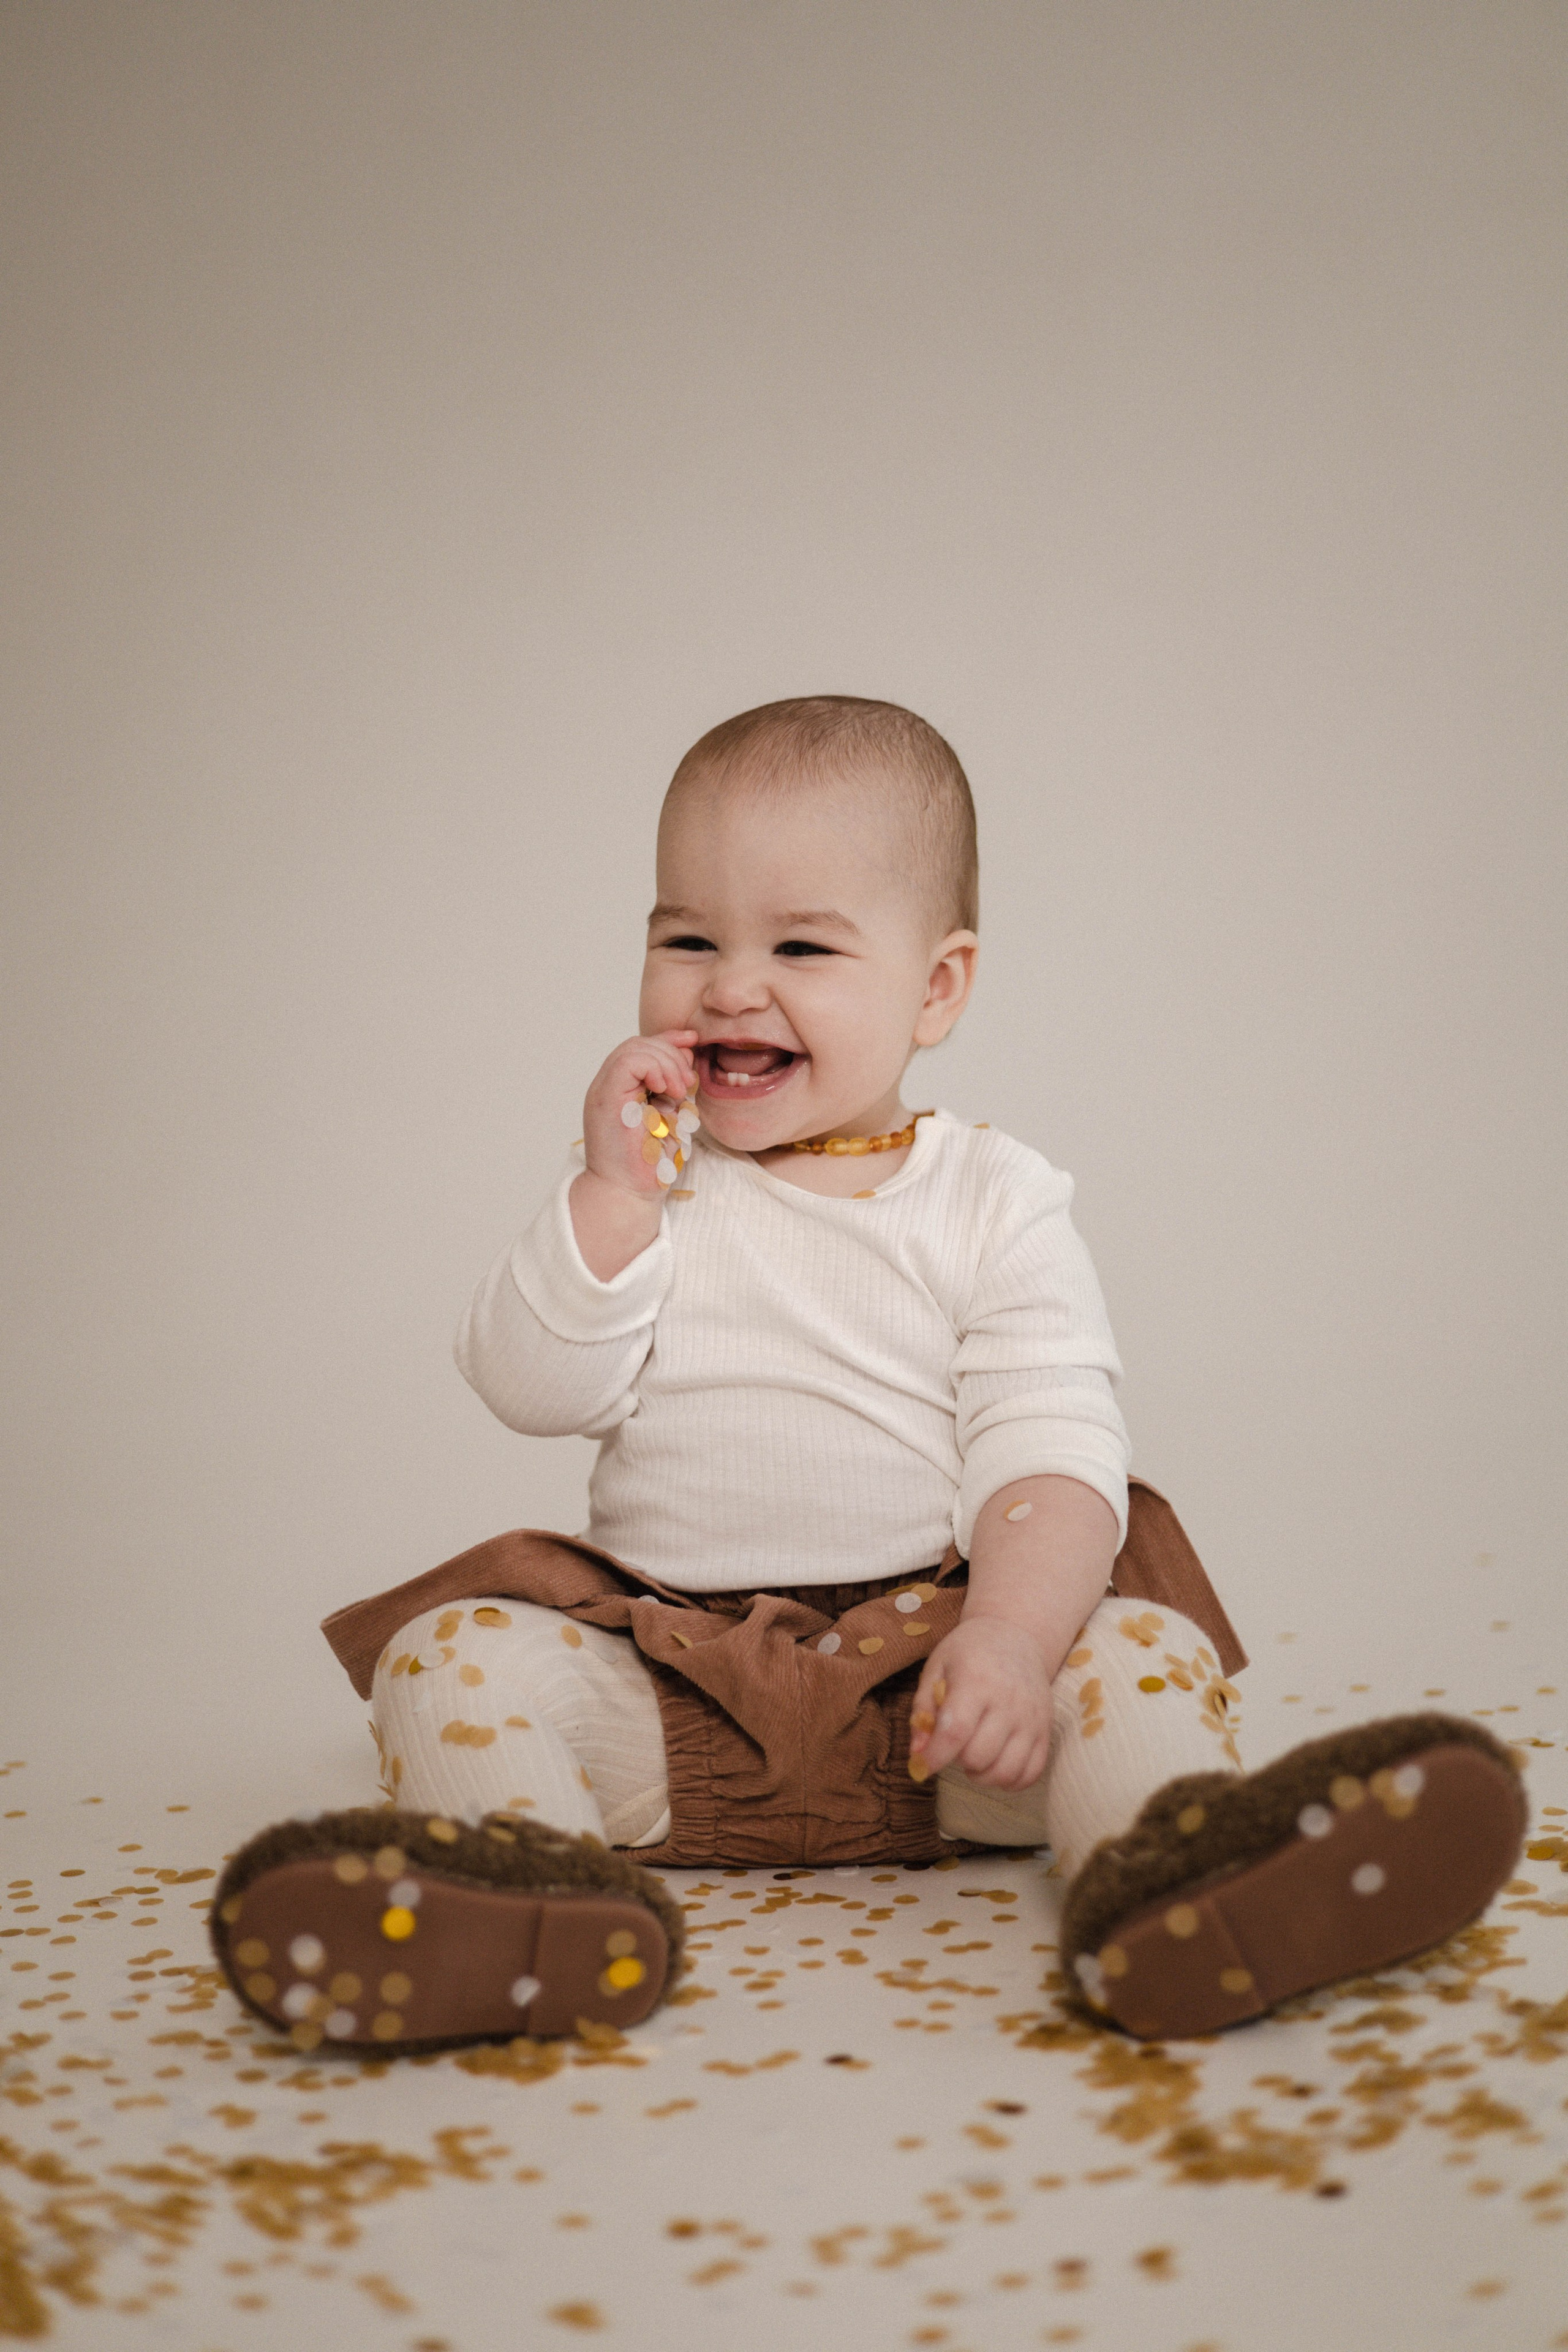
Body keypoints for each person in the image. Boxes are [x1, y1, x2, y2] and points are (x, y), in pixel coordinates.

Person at [210, 698, 1523, 2052]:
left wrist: (1009, 1642)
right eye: (685, 939)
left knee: (1141, 1648)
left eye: (797, 945)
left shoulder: (989, 1199)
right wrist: (609, 1196)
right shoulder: (648, 1187)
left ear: (934, 987)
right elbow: (530, 1385)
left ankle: (1175, 1879)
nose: (726, 986)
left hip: (944, 1714)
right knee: (445, 1658)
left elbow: (1048, 1450)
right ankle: (534, 1901)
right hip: (675, 1704)